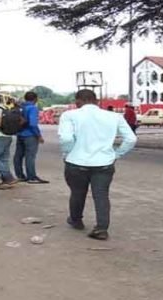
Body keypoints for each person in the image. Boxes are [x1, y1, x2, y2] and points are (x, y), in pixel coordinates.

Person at [58, 90, 137, 240]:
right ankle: (101, 228)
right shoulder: (114, 116)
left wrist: (67, 153)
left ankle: (76, 220)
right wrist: (117, 154)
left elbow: (66, 139)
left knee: (77, 193)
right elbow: (131, 139)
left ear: (78, 102)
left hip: (76, 162)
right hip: (104, 163)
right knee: (101, 195)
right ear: (97, 101)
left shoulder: (69, 115)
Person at [14, 91, 48, 183]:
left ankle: (20, 175)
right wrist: (39, 136)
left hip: (20, 134)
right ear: (35, 99)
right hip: (30, 135)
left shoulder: (21, 107)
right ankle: (31, 177)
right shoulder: (32, 108)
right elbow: (33, 124)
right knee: (30, 156)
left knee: (18, 156)